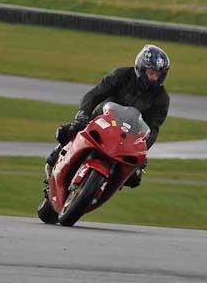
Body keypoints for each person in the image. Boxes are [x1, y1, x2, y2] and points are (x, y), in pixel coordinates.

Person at [45, 44, 171, 188]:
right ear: (141, 68)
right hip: (102, 120)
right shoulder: (122, 75)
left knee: (135, 177)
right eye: (151, 73)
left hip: (128, 136)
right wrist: (83, 113)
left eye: (158, 75)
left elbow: (153, 128)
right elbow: (95, 94)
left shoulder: (162, 98)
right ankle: (57, 154)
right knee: (70, 129)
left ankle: (105, 187)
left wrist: (143, 148)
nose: (154, 78)